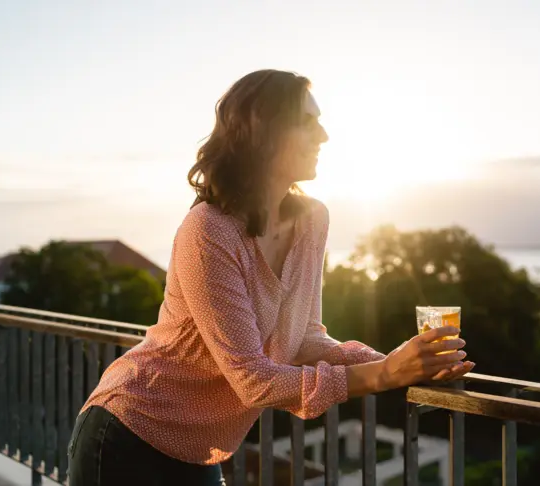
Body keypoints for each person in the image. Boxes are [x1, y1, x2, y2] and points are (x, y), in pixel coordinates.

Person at [67, 69, 475, 486]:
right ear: (264, 131)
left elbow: (305, 339)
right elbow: (253, 380)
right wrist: (385, 374)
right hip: (130, 435)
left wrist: (404, 362)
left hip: (200, 452)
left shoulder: (312, 221)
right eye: (308, 122)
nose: (325, 136)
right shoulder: (208, 230)